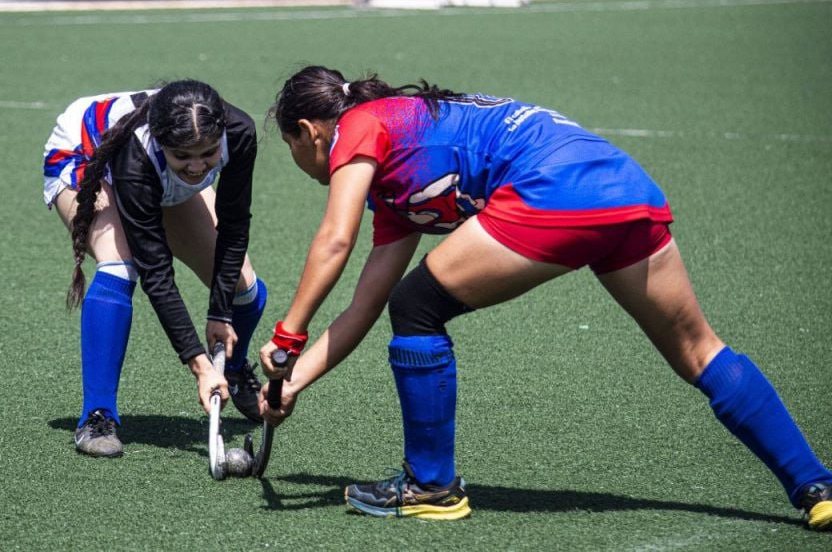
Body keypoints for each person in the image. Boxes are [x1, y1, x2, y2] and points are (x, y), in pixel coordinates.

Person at [257, 65, 831, 527]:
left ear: (310, 132)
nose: (305, 162)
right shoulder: (397, 187)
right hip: (619, 185)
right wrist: (293, 380)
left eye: (292, 145)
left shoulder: (361, 123)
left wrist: (287, 334)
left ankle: (430, 486)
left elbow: (336, 238)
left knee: (419, 307)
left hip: (551, 188)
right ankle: (817, 486)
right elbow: (364, 307)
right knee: (699, 351)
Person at [42, 80, 268, 457]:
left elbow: (233, 225)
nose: (197, 167)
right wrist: (198, 364)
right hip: (83, 154)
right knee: (120, 266)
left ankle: (232, 368)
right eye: (184, 156)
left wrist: (219, 312)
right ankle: (97, 415)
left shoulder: (239, 131)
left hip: (155, 172)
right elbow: (156, 272)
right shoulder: (137, 156)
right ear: (163, 141)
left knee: (244, 288)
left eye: (209, 153)